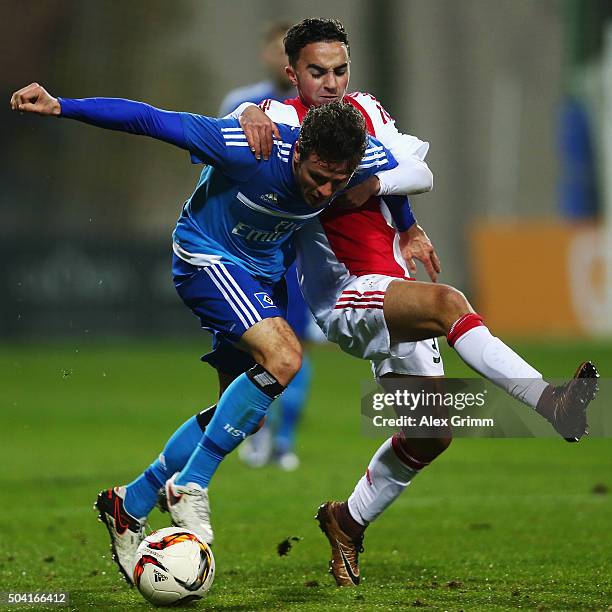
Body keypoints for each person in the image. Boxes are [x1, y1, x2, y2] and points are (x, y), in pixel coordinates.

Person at [223, 18, 600, 587]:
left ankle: (345, 523)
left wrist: (388, 198)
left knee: (431, 432)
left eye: (340, 70)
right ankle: (551, 402)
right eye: (316, 71)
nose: (331, 82)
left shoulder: (366, 110)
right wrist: (244, 115)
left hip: (391, 286)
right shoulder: (277, 121)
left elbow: (419, 170)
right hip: (346, 298)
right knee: (449, 302)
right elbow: (220, 140)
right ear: (291, 72)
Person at [10, 82, 415, 584]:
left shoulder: (354, 156)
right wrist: (62, 105)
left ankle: (129, 501)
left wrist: (409, 224)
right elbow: (147, 118)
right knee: (286, 358)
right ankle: (191, 485)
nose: (327, 192)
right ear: (303, 152)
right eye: (319, 177)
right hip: (207, 257)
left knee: (238, 414)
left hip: (262, 274)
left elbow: (404, 171)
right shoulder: (248, 146)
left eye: (340, 180)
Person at [219, 21, 313, 472]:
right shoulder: (239, 104)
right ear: (267, 56)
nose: (283, 61)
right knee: (253, 349)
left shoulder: (319, 109)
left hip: (293, 250)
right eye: (276, 51)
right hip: (239, 251)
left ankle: (285, 440)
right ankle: (256, 433)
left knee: (296, 346)